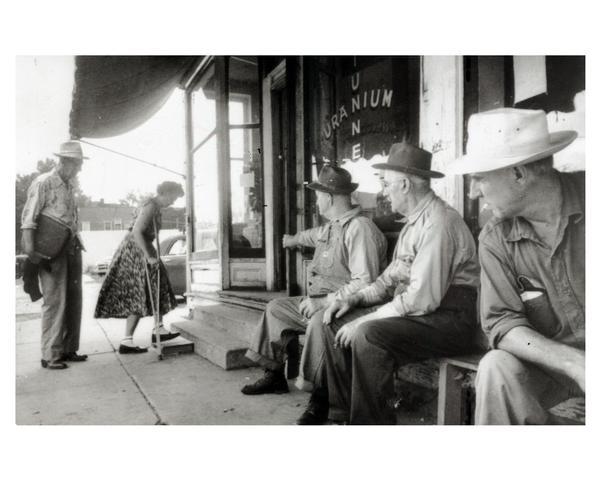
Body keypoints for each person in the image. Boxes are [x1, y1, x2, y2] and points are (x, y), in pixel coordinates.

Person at [307, 142, 480, 424]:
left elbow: (420, 300)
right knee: (332, 321)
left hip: (450, 321)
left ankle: (371, 424)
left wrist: (363, 320)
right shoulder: (414, 222)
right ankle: (341, 414)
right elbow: (389, 280)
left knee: (368, 335)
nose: (383, 192)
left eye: (386, 185)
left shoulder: (439, 223)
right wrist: (354, 299)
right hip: (424, 315)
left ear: (404, 185)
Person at [446, 108, 584, 424]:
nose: (472, 192)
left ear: (519, 173)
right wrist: (575, 363)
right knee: (496, 367)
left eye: (479, 178)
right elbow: (501, 323)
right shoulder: (495, 238)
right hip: (555, 377)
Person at [241, 165, 388, 399]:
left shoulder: (360, 229)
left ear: (328, 198)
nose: (316, 201)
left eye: (318, 196)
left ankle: (321, 395)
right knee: (275, 309)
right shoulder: (332, 226)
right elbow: (310, 235)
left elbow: (365, 283)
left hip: (349, 307)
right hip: (320, 301)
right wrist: (292, 240)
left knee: (320, 321)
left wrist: (324, 303)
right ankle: (275, 375)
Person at [94, 181, 185, 353]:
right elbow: (137, 231)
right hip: (136, 250)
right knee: (141, 290)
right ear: (165, 193)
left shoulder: (154, 206)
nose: (173, 202)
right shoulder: (150, 206)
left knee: (157, 284)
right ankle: (133, 338)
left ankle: (152, 329)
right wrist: (149, 256)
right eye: (173, 197)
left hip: (142, 247)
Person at [21, 140, 88, 370]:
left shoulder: (69, 186)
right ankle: (50, 354)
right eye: (77, 164)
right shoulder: (43, 183)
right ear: (65, 162)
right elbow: (29, 220)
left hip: (70, 246)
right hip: (50, 252)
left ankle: (68, 348)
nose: (79, 169)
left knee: (73, 300)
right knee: (54, 301)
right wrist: (33, 254)